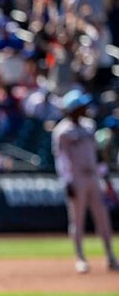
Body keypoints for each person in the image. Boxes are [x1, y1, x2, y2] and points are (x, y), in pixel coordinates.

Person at [51, 90, 118, 274]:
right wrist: (67, 181)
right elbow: (61, 159)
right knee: (77, 220)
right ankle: (80, 258)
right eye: (81, 106)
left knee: (102, 218)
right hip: (77, 178)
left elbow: (97, 154)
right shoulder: (62, 131)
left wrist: (105, 178)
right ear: (73, 109)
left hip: (93, 177)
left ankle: (111, 256)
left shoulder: (89, 126)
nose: (85, 109)